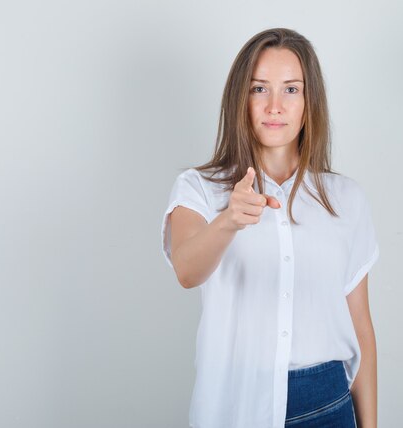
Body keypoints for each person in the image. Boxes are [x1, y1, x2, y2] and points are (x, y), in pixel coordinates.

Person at [161, 27, 379, 428]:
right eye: (259, 89)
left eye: (291, 90)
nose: (275, 106)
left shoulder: (346, 198)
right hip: (235, 401)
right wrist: (229, 220)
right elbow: (187, 271)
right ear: (239, 98)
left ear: (309, 100)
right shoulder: (199, 189)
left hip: (326, 402)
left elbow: (361, 328)